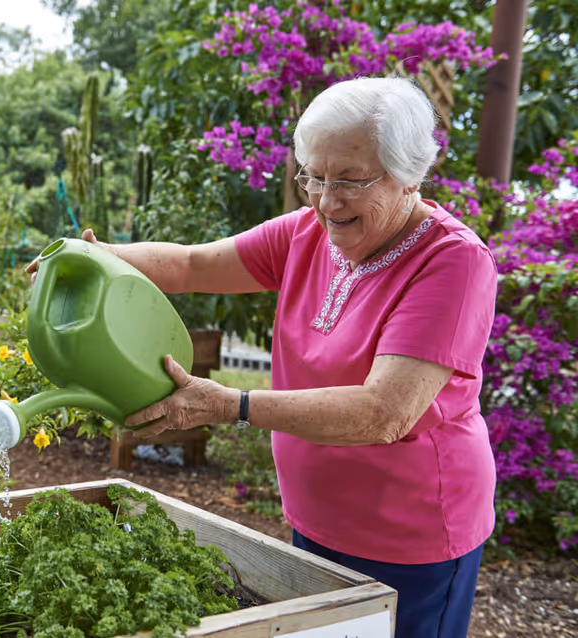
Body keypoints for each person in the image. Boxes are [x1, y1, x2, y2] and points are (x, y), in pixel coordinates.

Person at [28, 77, 497, 638]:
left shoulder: (452, 263)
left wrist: (232, 405)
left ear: (409, 175)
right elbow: (193, 265)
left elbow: (384, 412)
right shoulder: (307, 234)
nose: (327, 201)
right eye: (314, 177)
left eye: (350, 181)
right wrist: (96, 256)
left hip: (411, 537)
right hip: (317, 517)